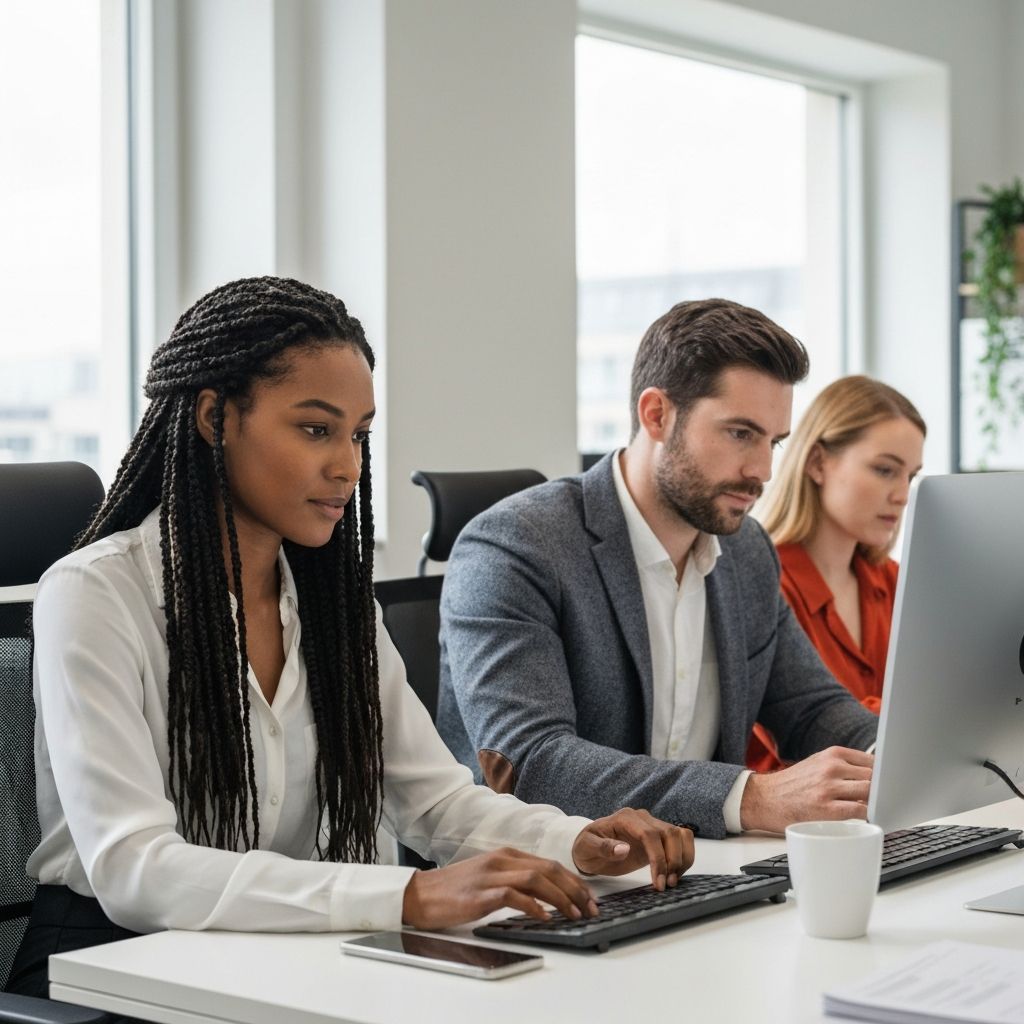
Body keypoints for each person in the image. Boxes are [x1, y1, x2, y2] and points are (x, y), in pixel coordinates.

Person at [8, 277, 693, 1002]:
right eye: (315, 429)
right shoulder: (97, 594)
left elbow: (435, 805)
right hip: (112, 970)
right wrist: (407, 898)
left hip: (282, 960)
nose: (348, 465)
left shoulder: (334, 608)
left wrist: (577, 843)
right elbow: (136, 868)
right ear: (214, 418)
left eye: (359, 434)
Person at [437, 298, 880, 841]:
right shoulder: (516, 546)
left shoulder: (744, 552)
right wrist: (751, 796)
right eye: (740, 433)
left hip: (699, 873)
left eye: (774, 442)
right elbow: (531, 762)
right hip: (538, 883)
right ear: (656, 415)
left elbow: (810, 708)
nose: (762, 470)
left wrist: (898, 759)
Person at [746, 375, 925, 772]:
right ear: (817, 463)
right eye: (884, 470)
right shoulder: (759, 584)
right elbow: (768, 751)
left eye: (910, 476)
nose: (902, 494)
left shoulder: (897, 583)